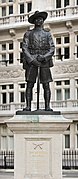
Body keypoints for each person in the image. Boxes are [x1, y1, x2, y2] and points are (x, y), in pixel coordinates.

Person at [22, 11, 55, 111]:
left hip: (44, 61)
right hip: (32, 61)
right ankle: (28, 106)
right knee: (30, 84)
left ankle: (47, 106)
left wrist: (44, 57)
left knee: (46, 84)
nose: (39, 20)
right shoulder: (28, 34)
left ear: (43, 20)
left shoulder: (47, 34)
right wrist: (31, 60)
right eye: (37, 19)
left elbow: (52, 48)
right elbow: (24, 48)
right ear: (34, 21)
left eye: (40, 19)